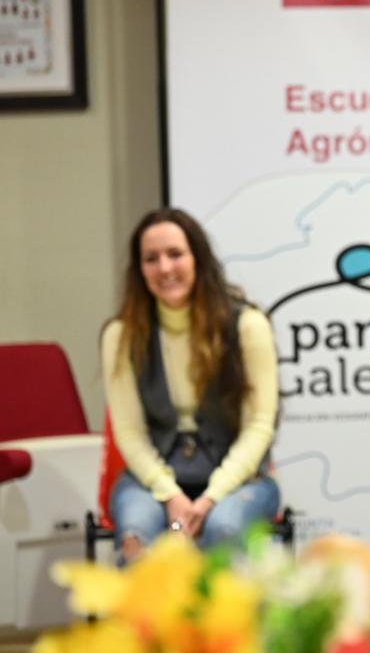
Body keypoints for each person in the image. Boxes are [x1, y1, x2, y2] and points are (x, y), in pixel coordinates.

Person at [101, 208, 280, 562]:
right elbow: (129, 432)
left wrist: (211, 498)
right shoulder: (120, 336)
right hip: (151, 479)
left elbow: (259, 426)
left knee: (224, 528)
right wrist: (171, 495)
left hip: (240, 480)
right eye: (151, 258)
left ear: (198, 257)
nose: (165, 267)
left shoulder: (248, 325)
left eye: (175, 254)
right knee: (137, 534)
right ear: (139, 270)